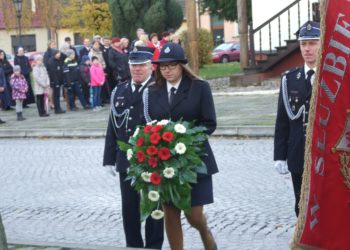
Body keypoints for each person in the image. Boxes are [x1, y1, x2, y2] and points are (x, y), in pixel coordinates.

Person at [146, 43, 218, 250]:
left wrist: (186, 140)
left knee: (193, 215)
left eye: (172, 66)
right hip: (165, 161)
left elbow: (209, 123)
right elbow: (150, 124)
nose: (167, 70)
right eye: (163, 66)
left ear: (182, 66)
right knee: (170, 211)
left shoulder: (200, 88)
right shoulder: (153, 91)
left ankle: (205, 231)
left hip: (194, 160)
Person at [103, 47, 164, 249]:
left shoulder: (158, 90)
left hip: (152, 159)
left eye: (141, 66)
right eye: (133, 66)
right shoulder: (119, 91)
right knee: (129, 207)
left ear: (150, 67)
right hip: (126, 159)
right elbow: (113, 126)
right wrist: (109, 158)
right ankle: (133, 245)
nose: (137, 70)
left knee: (153, 204)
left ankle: (154, 246)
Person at [274, 21, 321, 217]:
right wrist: (279, 155)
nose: (307, 49)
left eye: (312, 43)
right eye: (303, 44)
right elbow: (282, 121)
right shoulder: (290, 78)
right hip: (297, 152)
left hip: (324, 153)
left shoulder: (332, 75)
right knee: (301, 204)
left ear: (321, 44)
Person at [47, 49, 65, 114]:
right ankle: (57, 109)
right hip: (55, 81)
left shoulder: (58, 60)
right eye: (58, 53)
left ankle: (58, 108)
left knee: (57, 95)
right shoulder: (51, 62)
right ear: (55, 54)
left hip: (59, 80)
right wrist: (56, 82)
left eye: (59, 53)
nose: (59, 55)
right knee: (56, 96)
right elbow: (53, 73)